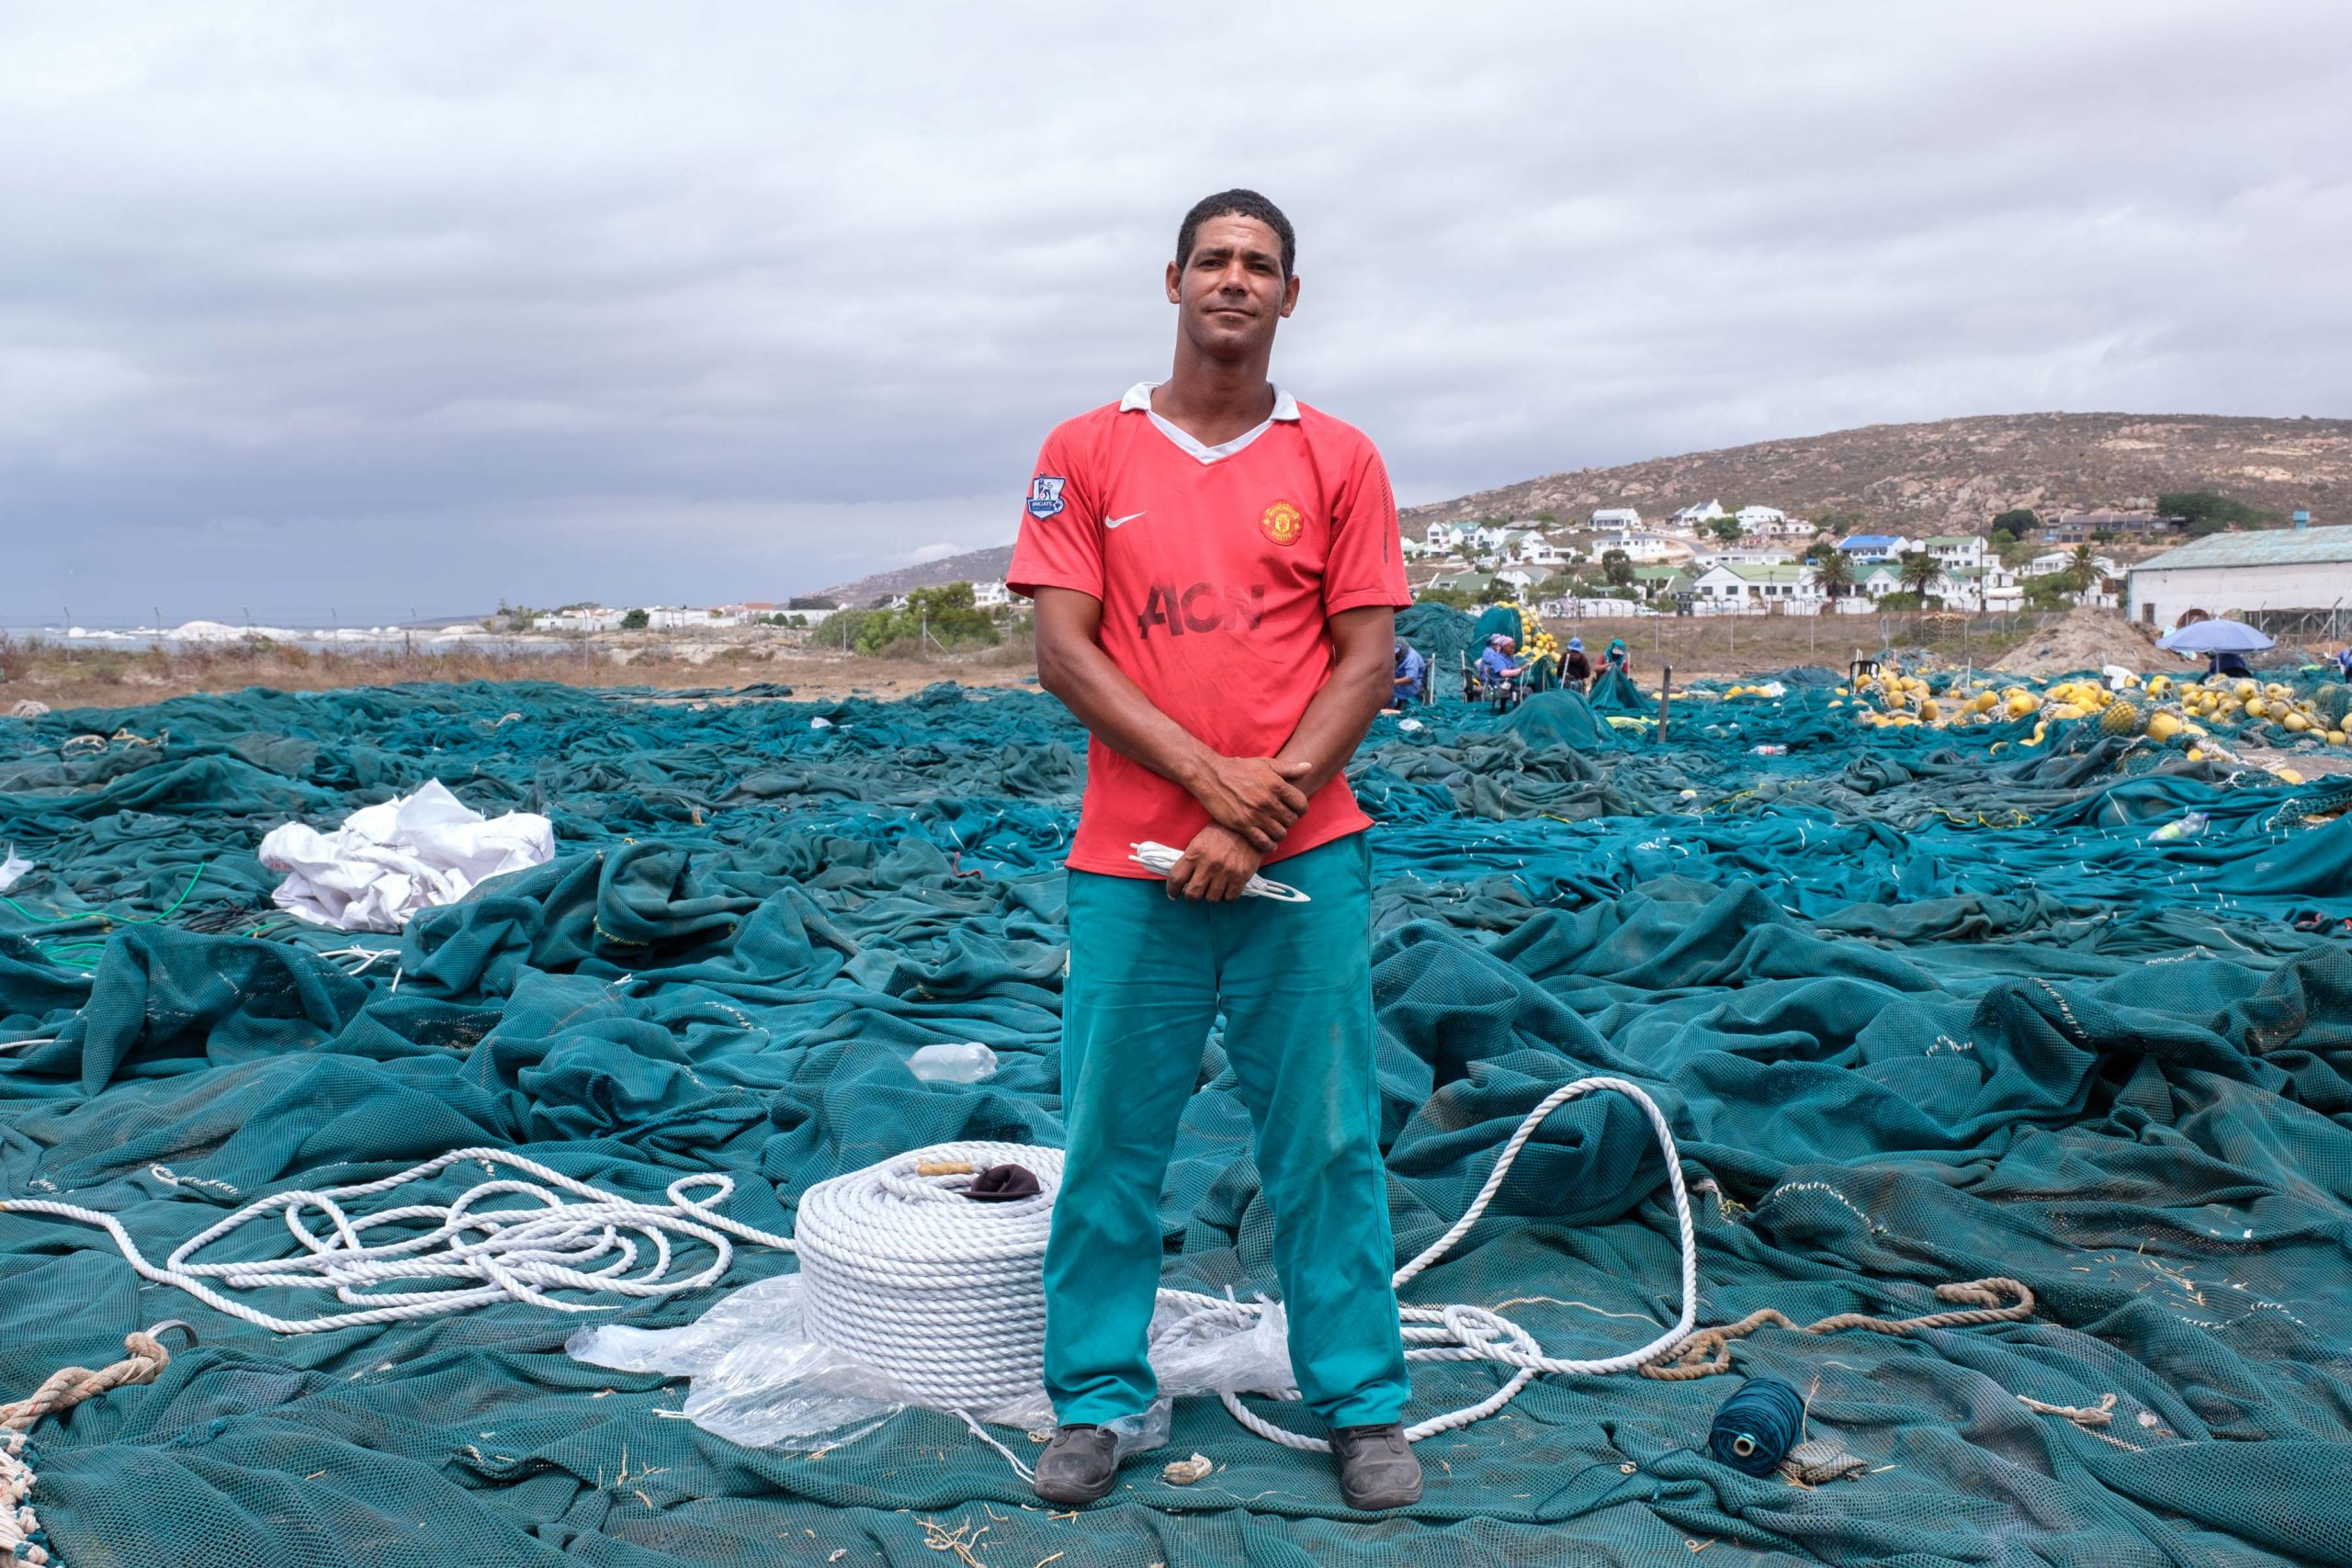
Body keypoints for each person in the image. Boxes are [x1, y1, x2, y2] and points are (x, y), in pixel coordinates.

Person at [1008, 189, 1420, 1513]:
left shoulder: (1339, 459)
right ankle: (1095, 1397)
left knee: (1325, 1140)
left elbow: (1368, 660)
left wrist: (1255, 821)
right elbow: (1065, 649)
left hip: (1309, 863)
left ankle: (1360, 1401)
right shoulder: (1088, 450)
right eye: (1214, 260)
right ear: (1172, 281)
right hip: (1131, 862)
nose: (1235, 280)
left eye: (1261, 264)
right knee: (1115, 1138)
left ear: (1289, 297)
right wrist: (1204, 795)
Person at [1392, 638, 1427, 706]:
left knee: (1387, 688)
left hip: (1413, 685)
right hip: (1400, 677)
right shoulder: (1401, 656)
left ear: (1403, 648)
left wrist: (1394, 681)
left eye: (1398, 652)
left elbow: (1411, 678)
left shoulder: (1411, 658)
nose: (1397, 654)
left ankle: (1389, 708)